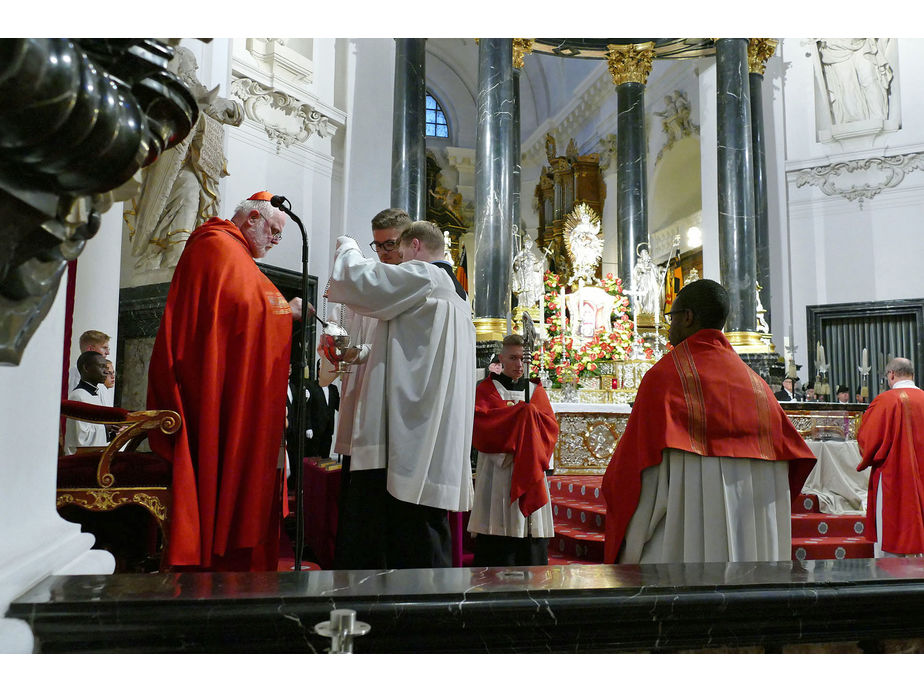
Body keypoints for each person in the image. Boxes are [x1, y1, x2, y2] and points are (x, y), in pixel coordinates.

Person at [602, 279, 816, 564]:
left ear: (688, 317)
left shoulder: (665, 379)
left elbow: (634, 476)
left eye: (672, 317)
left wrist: (630, 541)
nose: (669, 327)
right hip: (752, 554)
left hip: (681, 550)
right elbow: (783, 476)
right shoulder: (758, 387)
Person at [146, 191, 306, 572]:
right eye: (274, 230)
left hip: (224, 385)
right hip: (208, 387)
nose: (276, 240)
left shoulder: (236, 254)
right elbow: (242, 307)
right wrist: (288, 310)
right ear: (251, 217)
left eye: (280, 235)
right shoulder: (217, 244)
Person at [327, 220, 475, 569]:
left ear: (417, 246)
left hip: (410, 427)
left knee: (408, 528)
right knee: (423, 522)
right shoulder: (457, 293)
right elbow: (408, 349)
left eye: (402, 252)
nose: (398, 261)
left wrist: (347, 245)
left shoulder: (426, 276)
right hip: (432, 422)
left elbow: (359, 282)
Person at [327, 208, 411, 569]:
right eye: (377, 246)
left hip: (394, 412)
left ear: (411, 242)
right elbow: (345, 324)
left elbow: (407, 352)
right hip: (360, 399)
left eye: (390, 244)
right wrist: (333, 345)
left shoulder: (414, 280)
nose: (383, 253)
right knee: (358, 508)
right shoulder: (373, 279)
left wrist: (360, 352)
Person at [468, 334, 558, 567]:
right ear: (501, 360)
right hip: (499, 470)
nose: (519, 364)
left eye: (522, 358)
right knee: (498, 526)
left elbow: (550, 428)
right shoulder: (487, 389)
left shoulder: (534, 390)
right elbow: (482, 424)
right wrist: (519, 417)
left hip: (528, 467)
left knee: (529, 533)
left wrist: (526, 420)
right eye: (513, 358)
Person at [857, 357, 924, 557]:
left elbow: (868, 440)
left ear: (892, 374)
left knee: (892, 542)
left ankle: (890, 581)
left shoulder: (885, 400)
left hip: (893, 478)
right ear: (912, 374)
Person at [63, 351, 110, 455]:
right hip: (78, 459)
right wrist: (106, 428)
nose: (106, 371)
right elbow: (81, 436)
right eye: (102, 367)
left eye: (106, 367)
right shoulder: (78, 396)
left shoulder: (95, 394)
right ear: (86, 368)